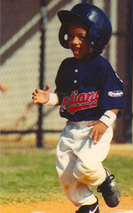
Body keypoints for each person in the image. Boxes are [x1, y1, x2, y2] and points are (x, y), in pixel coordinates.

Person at [32, 3, 125, 213]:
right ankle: (88, 204)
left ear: (96, 38)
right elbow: (64, 98)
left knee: (86, 168)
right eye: (71, 35)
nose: (74, 41)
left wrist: (104, 122)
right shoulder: (66, 66)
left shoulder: (101, 67)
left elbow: (116, 100)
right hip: (71, 129)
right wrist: (48, 98)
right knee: (66, 173)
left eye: (81, 36)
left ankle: (103, 178)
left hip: (95, 129)